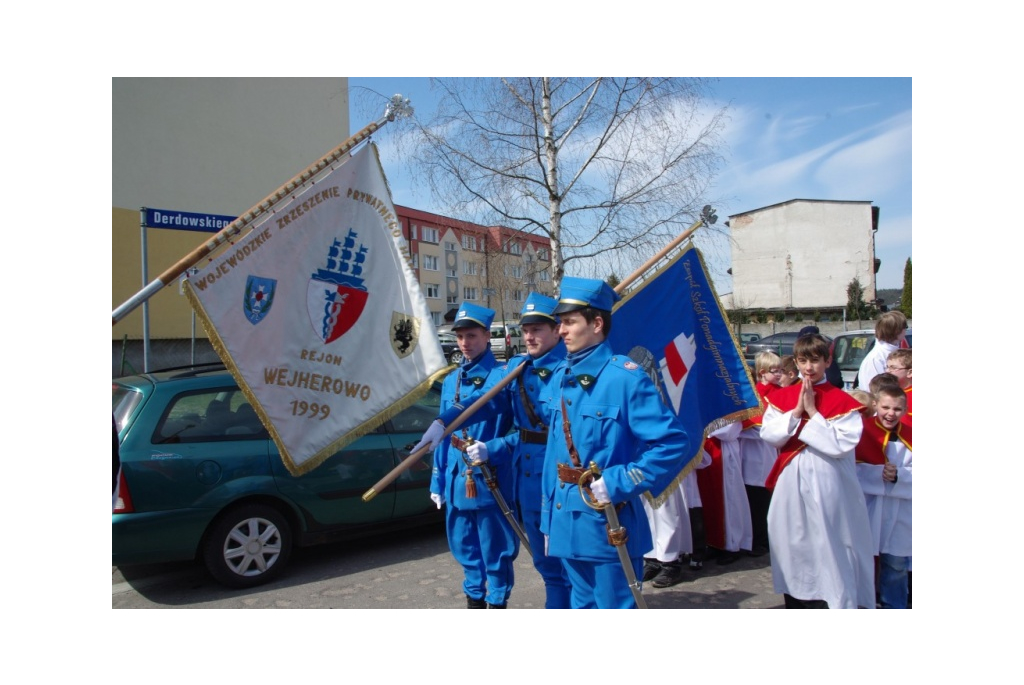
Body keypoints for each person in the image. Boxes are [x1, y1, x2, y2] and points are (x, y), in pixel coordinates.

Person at [539, 277, 692, 609]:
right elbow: (554, 456)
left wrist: (621, 480)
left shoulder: (625, 378)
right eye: (560, 323)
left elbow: (672, 443)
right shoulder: (559, 379)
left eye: (569, 322)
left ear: (596, 323)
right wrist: (548, 518)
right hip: (566, 520)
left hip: (607, 519)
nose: (561, 330)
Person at [450, 293, 574, 608]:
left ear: (557, 330)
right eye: (525, 330)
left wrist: (494, 448)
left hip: (561, 482)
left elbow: (555, 436)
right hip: (528, 484)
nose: (529, 336)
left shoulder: (570, 372)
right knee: (546, 567)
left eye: (537, 329)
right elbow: (488, 405)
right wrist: (444, 424)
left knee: (573, 568)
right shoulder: (519, 368)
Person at [415, 302, 517, 608]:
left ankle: (497, 604)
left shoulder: (504, 376)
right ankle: (474, 602)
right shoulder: (451, 380)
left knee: (495, 553)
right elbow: (444, 436)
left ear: (487, 335)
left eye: (471, 335)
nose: (464, 343)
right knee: (465, 550)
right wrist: (437, 480)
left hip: (490, 480)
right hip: (457, 481)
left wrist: (493, 450)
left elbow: (519, 432)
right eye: (459, 336)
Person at [762, 334, 875, 609]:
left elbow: (840, 444)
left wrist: (813, 412)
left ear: (827, 361)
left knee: (832, 543)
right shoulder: (782, 398)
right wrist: (797, 411)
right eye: (802, 361)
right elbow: (770, 435)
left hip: (830, 484)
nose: (808, 367)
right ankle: (798, 598)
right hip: (791, 482)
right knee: (793, 543)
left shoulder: (843, 401)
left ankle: (835, 599)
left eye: (815, 360)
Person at [855, 384, 912, 609]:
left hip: (901, 509)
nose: (891, 413)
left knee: (896, 563)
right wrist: (876, 473)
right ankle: (862, 604)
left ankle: (894, 607)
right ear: (875, 405)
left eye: (897, 409)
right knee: (862, 560)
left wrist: (900, 475)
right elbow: (850, 470)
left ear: (905, 409)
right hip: (869, 506)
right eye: (886, 407)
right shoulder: (862, 431)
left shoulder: (913, 434)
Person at [737, 351, 783, 557]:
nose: (780, 374)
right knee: (755, 501)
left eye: (781, 370)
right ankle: (757, 540)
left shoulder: (779, 392)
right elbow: (750, 424)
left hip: (769, 453)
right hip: (754, 456)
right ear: (763, 373)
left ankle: (765, 539)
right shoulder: (755, 395)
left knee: (766, 500)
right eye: (776, 371)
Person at [856, 311, 907, 391]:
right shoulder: (876, 358)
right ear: (896, 330)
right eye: (905, 327)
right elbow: (874, 390)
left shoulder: (894, 350)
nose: (906, 330)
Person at [886, 349, 912, 426]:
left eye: (893, 368)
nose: (887, 371)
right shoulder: (887, 392)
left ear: (910, 372)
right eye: (887, 367)